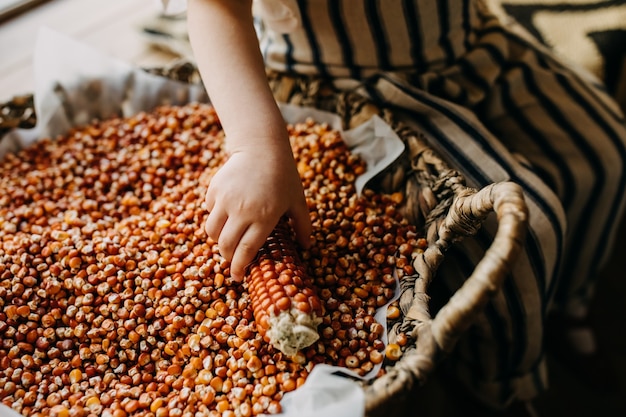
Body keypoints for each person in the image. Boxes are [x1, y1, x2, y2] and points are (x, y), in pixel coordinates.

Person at [178, 0, 626, 415]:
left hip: (470, 44)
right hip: (350, 83)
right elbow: (216, 8)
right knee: (528, 233)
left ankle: (570, 296)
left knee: (603, 157)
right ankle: (495, 383)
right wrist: (256, 145)